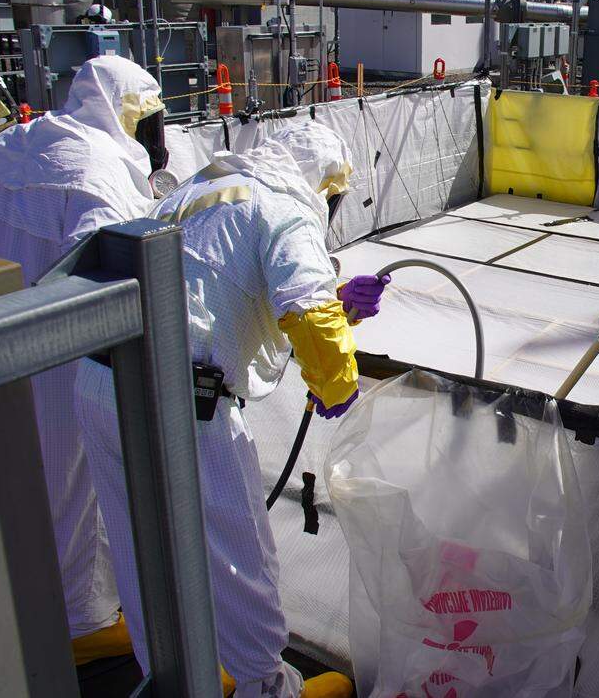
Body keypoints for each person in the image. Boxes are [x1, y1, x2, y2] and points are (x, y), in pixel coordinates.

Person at [74, 120, 380, 698]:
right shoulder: (288, 208)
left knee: (144, 548)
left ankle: (174, 677)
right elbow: (309, 314)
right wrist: (337, 388)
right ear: (324, 186)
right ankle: (266, 687)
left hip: (101, 381)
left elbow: (216, 287)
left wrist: (339, 302)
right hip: (181, 404)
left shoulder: (203, 187)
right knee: (243, 560)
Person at [0, 55, 168, 662]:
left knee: (18, 480)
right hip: (68, 360)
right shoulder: (98, 173)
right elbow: (125, 273)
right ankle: (85, 621)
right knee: (81, 486)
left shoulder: (8, 145)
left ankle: (36, 596)